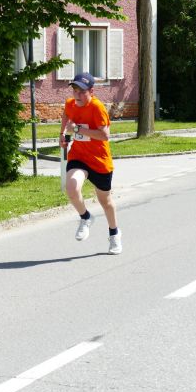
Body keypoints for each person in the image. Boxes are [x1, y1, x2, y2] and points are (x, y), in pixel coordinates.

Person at [59, 72, 122, 255]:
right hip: (79, 157)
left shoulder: (97, 108)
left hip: (99, 161)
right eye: (75, 90)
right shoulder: (71, 104)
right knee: (72, 188)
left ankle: (114, 234)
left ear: (91, 91)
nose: (77, 95)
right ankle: (85, 217)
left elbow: (104, 135)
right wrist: (62, 134)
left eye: (82, 91)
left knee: (106, 202)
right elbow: (66, 115)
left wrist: (77, 129)